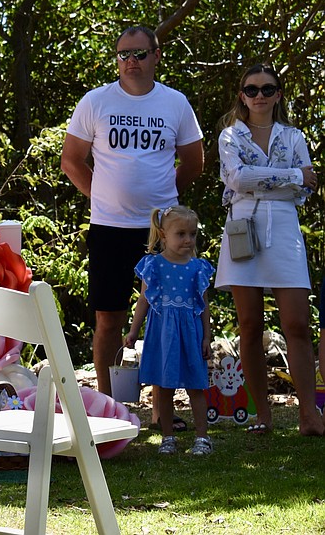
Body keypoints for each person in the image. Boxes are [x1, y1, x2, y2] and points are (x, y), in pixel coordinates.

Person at [60, 25, 205, 431]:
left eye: (140, 54)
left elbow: (194, 161)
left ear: (157, 56)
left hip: (161, 232)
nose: (131, 62)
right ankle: (105, 409)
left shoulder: (174, 103)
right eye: (124, 54)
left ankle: (162, 410)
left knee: (167, 316)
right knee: (108, 318)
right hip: (109, 227)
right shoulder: (96, 101)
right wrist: (101, 197)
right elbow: (71, 160)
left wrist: (164, 203)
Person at [214, 63, 324, 436]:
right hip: (243, 228)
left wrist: (274, 182)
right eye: (251, 89)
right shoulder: (230, 136)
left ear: (278, 94)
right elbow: (237, 178)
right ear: (241, 95)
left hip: (284, 229)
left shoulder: (294, 136)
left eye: (267, 89)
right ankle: (263, 416)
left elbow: (306, 191)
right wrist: (291, 176)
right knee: (249, 325)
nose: (259, 96)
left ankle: (309, 415)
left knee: (297, 323)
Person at [124, 206, 214, 455]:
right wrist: (133, 331)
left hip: (190, 334)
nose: (188, 240)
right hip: (162, 334)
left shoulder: (198, 268)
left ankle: (202, 438)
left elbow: (203, 305)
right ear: (163, 234)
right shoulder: (153, 265)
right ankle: (168, 437)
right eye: (181, 234)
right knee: (163, 386)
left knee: (196, 385)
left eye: (193, 234)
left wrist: (206, 336)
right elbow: (143, 301)